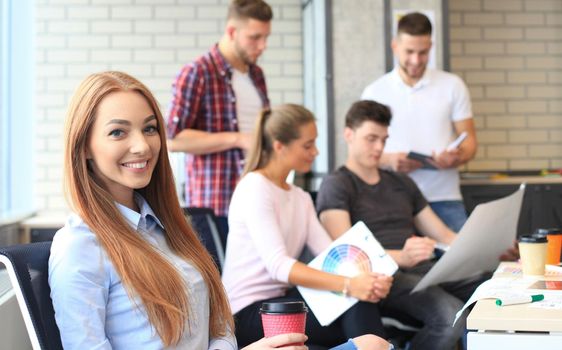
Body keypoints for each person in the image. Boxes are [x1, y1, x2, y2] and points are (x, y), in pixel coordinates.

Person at [48, 70, 314, 350]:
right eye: (118, 132)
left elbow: (219, 324)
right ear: (84, 146)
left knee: (366, 343)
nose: (142, 146)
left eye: (149, 129)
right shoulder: (79, 246)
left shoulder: (168, 228)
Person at [316, 100, 492, 350]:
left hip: (424, 268)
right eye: (371, 138)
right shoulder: (337, 185)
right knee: (450, 317)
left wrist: (489, 249)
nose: (379, 148)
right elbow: (345, 257)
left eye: (384, 139)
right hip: (383, 277)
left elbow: (443, 234)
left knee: (490, 287)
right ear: (349, 135)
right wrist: (401, 256)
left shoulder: (401, 182)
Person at [221, 104, 394, 349]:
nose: (315, 151)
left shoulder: (300, 197)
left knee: (359, 298)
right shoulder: (254, 187)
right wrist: (349, 284)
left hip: (285, 303)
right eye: (307, 145)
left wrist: (368, 280)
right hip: (249, 314)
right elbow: (279, 267)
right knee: (355, 298)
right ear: (279, 146)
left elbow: (330, 255)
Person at [360, 12, 477, 232]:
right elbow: (361, 151)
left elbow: (470, 142)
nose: (415, 60)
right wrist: (390, 161)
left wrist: (456, 157)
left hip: (444, 197)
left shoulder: (452, 85)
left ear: (431, 46)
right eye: (409, 52)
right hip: (391, 199)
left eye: (422, 53)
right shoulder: (374, 91)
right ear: (395, 46)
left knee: (463, 261)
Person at [167, 0, 272, 242]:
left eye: (266, 37)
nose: (262, 46)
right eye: (255, 37)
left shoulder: (257, 75)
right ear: (232, 32)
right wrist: (237, 139)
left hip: (256, 199)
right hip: (217, 203)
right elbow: (172, 139)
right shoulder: (198, 72)